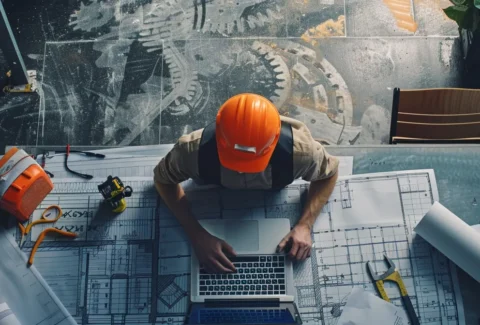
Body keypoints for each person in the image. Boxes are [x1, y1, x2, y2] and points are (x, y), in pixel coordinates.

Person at [154, 93, 339, 273]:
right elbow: (163, 180)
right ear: (219, 132)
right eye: (234, 160)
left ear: (274, 140)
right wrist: (196, 234)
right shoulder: (190, 151)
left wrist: (305, 225)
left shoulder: (302, 152)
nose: (242, 170)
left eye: (252, 162)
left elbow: (329, 174)